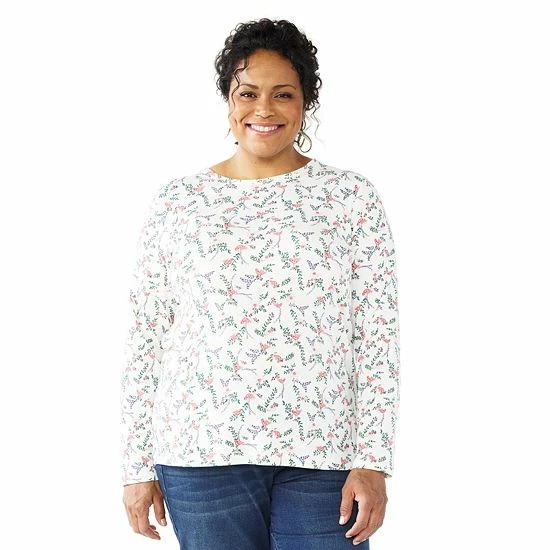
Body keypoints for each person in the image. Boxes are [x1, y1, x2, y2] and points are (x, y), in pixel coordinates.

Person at [121, 17, 400, 550]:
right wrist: (136, 465)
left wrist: (374, 460)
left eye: (283, 94)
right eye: (248, 93)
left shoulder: (349, 198)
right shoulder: (179, 202)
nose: (264, 109)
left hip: (325, 454)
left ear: (305, 102)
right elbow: (148, 337)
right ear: (229, 101)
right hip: (200, 452)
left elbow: (377, 336)